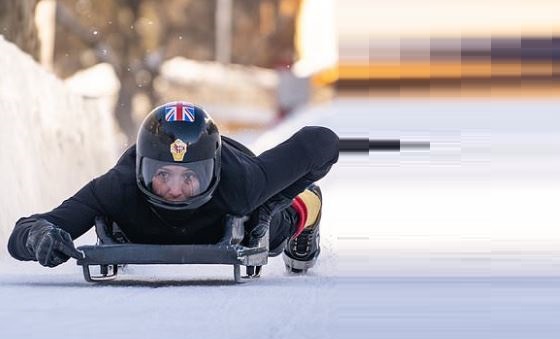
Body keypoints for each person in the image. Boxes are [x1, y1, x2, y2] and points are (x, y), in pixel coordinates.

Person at [7, 101, 339, 273]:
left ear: (211, 173)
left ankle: (308, 208)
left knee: (274, 233)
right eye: (163, 175)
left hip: (237, 197)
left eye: (189, 177)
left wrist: (266, 205)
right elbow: (24, 232)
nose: (176, 190)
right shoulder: (118, 186)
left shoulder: (241, 184)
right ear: (142, 168)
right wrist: (39, 238)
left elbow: (322, 143)